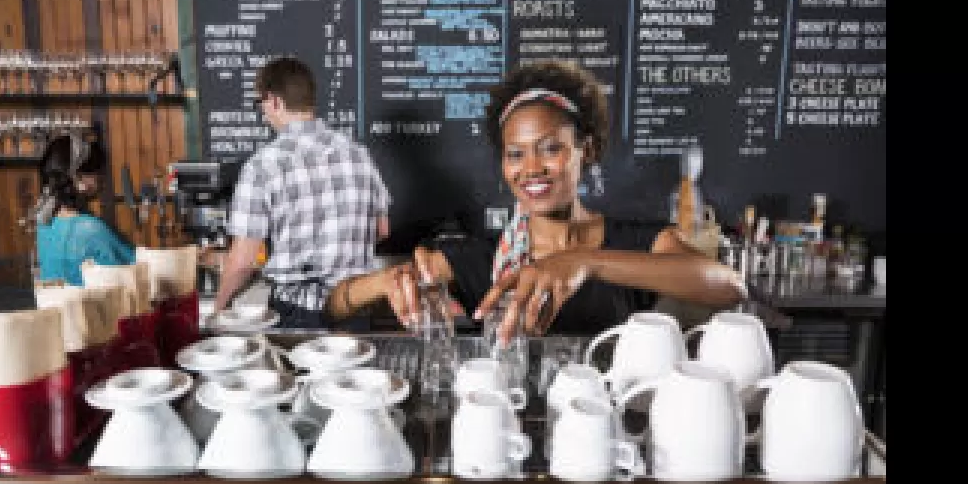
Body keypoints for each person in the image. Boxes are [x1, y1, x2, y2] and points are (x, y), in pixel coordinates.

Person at [325, 59, 746, 342]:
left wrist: (585, 262)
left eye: (550, 148)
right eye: (515, 154)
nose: (531, 168)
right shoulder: (481, 257)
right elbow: (332, 309)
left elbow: (729, 286)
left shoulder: (634, 241)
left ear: (588, 149)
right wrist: (384, 282)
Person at [213, 56, 392, 329]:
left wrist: (219, 311)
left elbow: (242, 263)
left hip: (297, 313)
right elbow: (382, 230)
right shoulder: (359, 154)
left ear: (274, 101)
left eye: (260, 104)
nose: (263, 113)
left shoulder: (263, 164)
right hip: (355, 305)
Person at [34, 134, 135, 286]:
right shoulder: (90, 228)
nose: (102, 177)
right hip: (90, 308)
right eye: (96, 170)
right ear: (78, 177)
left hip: (55, 307)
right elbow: (132, 270)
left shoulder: (44, 222)